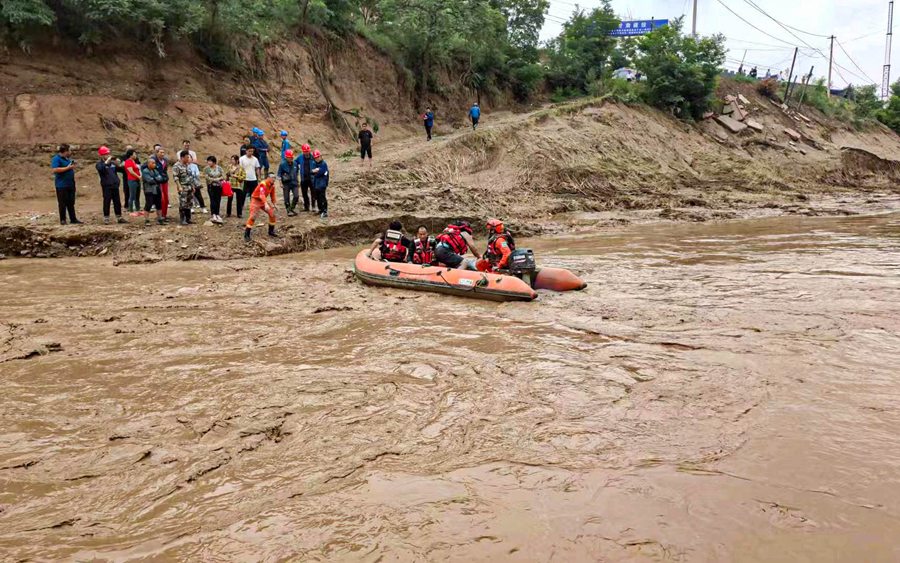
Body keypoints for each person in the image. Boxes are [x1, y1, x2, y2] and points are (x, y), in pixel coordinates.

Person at [96, 146, 125, 224]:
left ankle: (119, 217)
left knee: (117, 202)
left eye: (108, 154)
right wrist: (106, 162)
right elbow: (101, 169)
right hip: (106, 186)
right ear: (101, 155)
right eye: (106, 154)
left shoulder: (112, 164)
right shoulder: (99, 164)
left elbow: (121, 170)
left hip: (115, 185)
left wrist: (119, 163)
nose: (108, 156)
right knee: (107, 201)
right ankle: (106, 218)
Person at [243, 174, 277, 242]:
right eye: (272, 177)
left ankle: (271, 231)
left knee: (272, 214)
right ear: (268, 178)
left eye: (275, 178)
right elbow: (261, 195)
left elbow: (272, 195)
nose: (274, 179)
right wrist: (265, 203)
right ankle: (246, 235)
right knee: (253, 217)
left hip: (263, 200)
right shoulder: (263, 184)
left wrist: (274, 204)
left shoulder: (272, 185)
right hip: (256, 200)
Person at [172, 150, 198, 225]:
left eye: (189, 157)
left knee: (189, 203)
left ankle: (188, 219)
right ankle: (182, 219)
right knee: (183, 203)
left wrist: (193, 186)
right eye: (187, 157)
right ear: (182, 157)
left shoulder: (187, 165)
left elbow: (190, 176)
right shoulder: (177, 166)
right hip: (183, 187)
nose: (188, 159)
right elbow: (176, 177)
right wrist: (179, 186)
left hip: (189, 187)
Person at [141, 158, 166, 226]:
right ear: (149, 164)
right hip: (149, 190)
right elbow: (150, 180)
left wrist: (156, 179)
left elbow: (161, 179)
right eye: (153, 163)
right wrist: (156, 179)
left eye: (155, 163)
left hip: (157, 189)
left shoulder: (155, 170)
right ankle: (146, 220)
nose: (154, 164)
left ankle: (160, 218)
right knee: (148, 204)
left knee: (159, 204)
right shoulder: (145, 171)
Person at [238, 146, 261, 219]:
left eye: (252, 151)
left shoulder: (255, 159)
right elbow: (239, 168)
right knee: (242, 195)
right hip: (245, 179)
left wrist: (259, 177)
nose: (251, 153)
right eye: (249, 151)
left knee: (254, 196)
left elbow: (257, 168)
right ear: (246, 151)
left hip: (253, 179)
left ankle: (253, 211)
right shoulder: (241, 159)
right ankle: (240, 212)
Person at [150, 147, 170, 222]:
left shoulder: (165, 161)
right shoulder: (153, 161)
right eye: (161, 152)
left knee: (166, 198)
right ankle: (160, 215)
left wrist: (165, 177)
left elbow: (165, 170)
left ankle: (164, 215)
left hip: (164, 181)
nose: (162, 154)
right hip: (157, 182)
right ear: (157, 153)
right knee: (161, 198)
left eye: (163, 152)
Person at [277, 149, 300, 216]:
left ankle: (291, 208)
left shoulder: (295, 164)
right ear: (286, 157)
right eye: (289, 157)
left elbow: (297, 173)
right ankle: (288, 210)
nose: (291, 159)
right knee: (286, 197)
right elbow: (279, 175)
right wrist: (280, 183)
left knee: (296, 196)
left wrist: (298, 181)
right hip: (286, 183)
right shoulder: (282, 164)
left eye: (292, 157)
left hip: (294, 182)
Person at [204, 156, 225, 224]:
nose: (209, 162)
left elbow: (223, 176)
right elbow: (207, 177)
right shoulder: (206, 169)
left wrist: (218, 179)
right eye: (208, 161)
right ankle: (213, 214)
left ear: (214, 162)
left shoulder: (219, 168)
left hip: (219, 186)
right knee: (212, 200)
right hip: (211, 186)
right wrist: (215, 179)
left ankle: (217, 213)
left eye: (210, 161)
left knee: (218, 200)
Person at [311, 150, 329, 219]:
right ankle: (320, 209)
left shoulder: (324, 164)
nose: (317, 159)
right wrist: (315, 171)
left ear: (320, 156)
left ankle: (324, 211)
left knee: (322, 197)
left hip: (322, 184)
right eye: (315, 158)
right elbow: (312, 172)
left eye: (318, 157)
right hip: (316, 184)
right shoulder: (313, 163)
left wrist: (316, 171)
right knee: (317, 197)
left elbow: (320, 173)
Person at [297, 144, 316, 212]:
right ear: (303, 151)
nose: (306, 153)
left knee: (313, 193)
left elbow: (318, 163)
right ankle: (306, 207)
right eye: (305, 151)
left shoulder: (313, 157)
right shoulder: (300, 157)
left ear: (309, 150)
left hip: (312, 178)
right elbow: (295, 163)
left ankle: (313, 206)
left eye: (307, 151)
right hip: (303, 178)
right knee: (304, 193)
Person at [123, 149, 142, 214]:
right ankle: (131, 210)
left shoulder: (133, 161)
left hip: (137, 180)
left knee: (137, 195)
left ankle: (138, 209)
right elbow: (131, 171)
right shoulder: (128, 161)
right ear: (131, 155)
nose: (135, 155)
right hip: (132, 180)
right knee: (132, 195)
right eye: (134, 154)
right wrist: (138, 176)